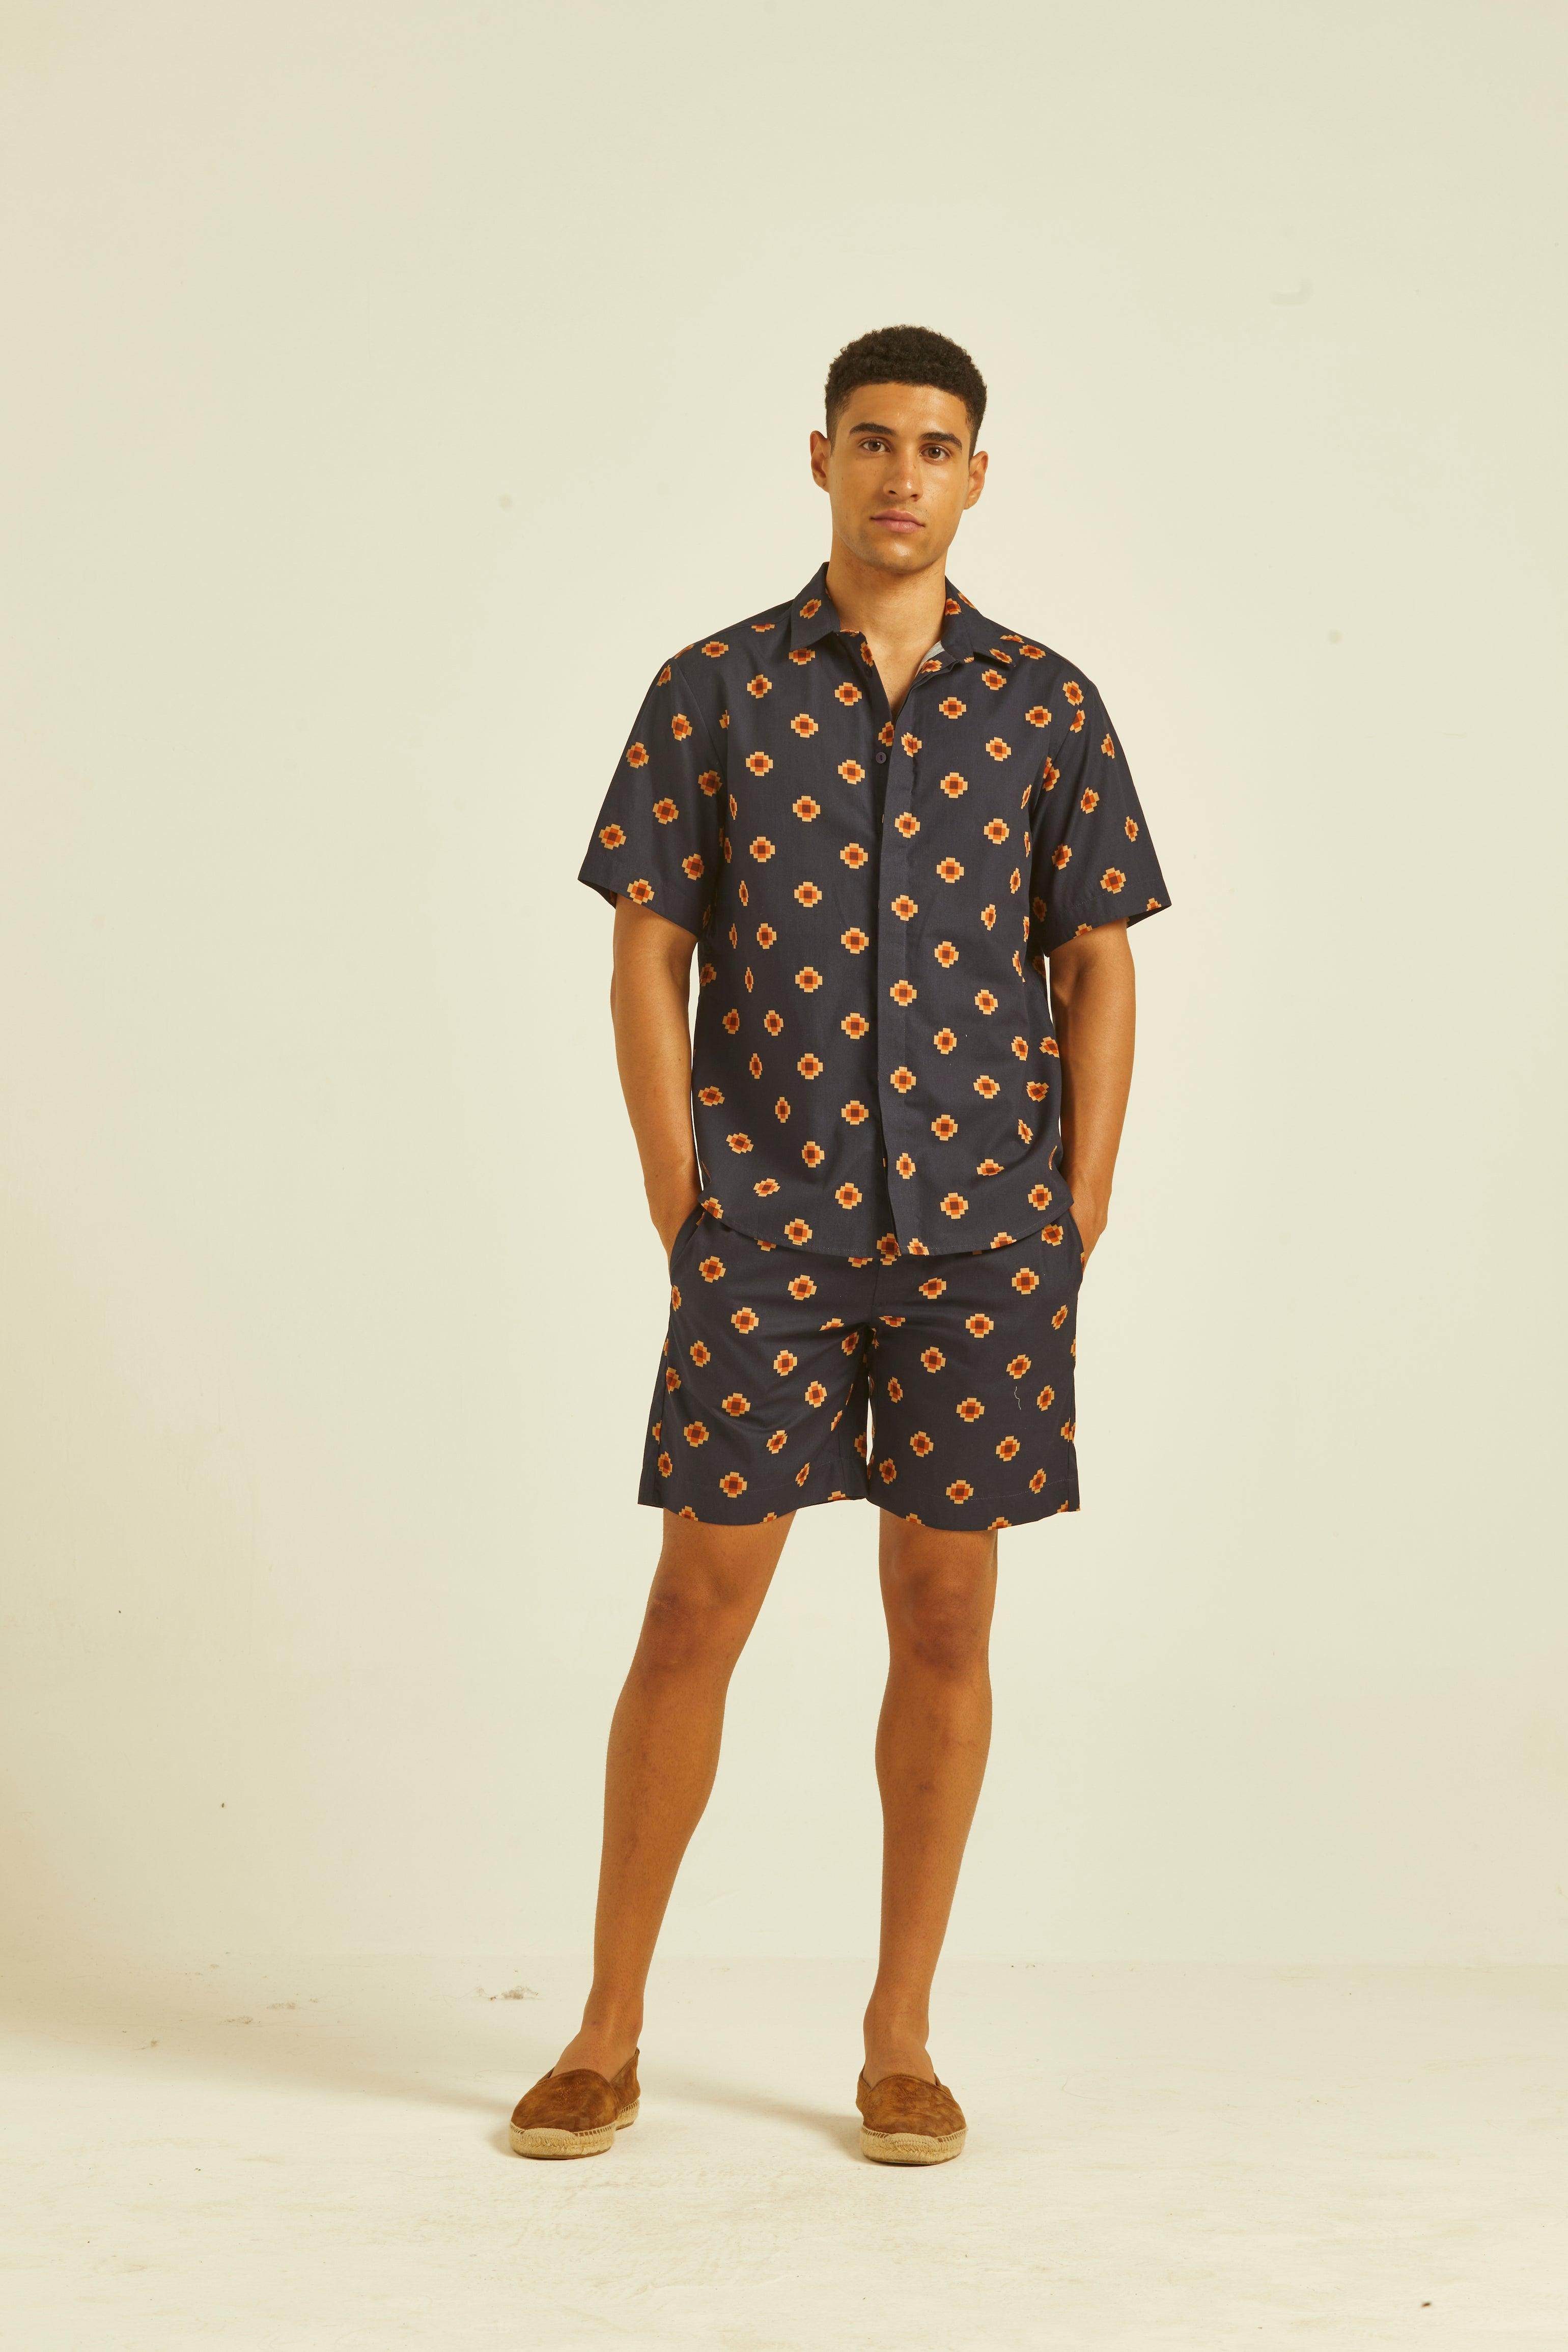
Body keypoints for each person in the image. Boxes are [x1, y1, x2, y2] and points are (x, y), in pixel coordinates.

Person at [511, 324, 1171, 2167]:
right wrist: (681, 1187)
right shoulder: (712, 690)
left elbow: (1099, 957)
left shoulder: (1048, 705)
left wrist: (1082, 1200)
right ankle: (606, 2028)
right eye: (873, 440)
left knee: (946, 1612)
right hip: (764, 1227)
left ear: (978, 476)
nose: (903, 474)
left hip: (986, 1239)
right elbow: (648, 942)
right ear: (820, 458)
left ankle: (900, 2037)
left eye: (936, 446)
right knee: (695, 1605)